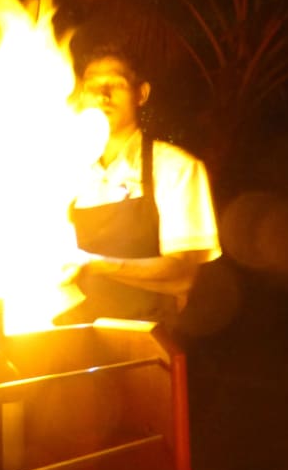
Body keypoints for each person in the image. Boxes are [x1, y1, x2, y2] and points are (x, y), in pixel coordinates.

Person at [56, 42, 222, 326]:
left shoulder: (175, 168)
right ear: (81, 96)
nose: (103, 96)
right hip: (66, 339)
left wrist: (97, 264)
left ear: (141, 94)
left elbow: (182, 277)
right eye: (92, 87)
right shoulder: (60, 171)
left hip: (145, 344)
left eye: (116, 85)